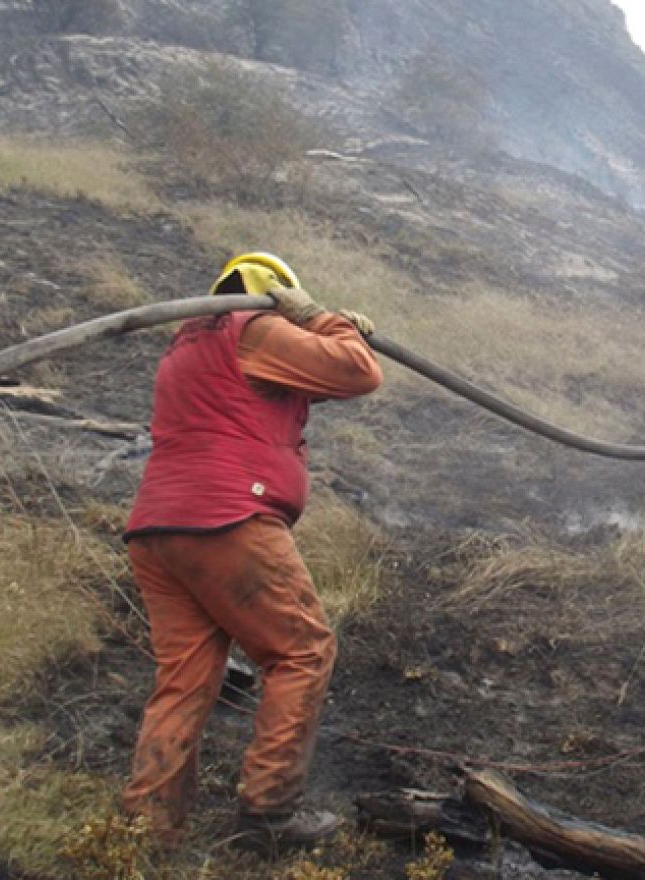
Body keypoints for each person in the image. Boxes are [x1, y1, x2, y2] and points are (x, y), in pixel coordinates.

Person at [119, 252, 382, 852]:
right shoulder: (256, 329)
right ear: (277, 294)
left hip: (159, 528)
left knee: (184, 680)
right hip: (228, 519)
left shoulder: (188, 345)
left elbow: (299, 386)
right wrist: (321, 320)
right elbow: (358, 372)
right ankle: (269, 815)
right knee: (302, 650)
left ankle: (144, 829)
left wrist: (337, 328)